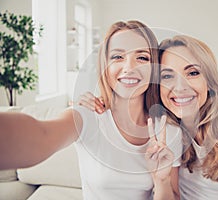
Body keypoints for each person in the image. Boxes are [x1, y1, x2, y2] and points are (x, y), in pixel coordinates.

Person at [80, 35, 218, 199]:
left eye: (192, 73)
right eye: (167, 76)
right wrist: (101, 101)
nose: (180, 87)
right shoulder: (163, 130)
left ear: (210, 81)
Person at [0, 20, 183, 200]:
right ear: (105, 66)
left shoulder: (169, 131)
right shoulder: (86, 116)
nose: (128, 68)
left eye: (142, 57)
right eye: (117, 57)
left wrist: (161, 180)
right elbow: (42, 135)